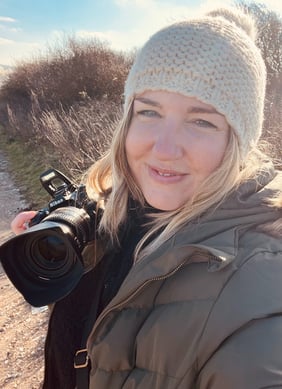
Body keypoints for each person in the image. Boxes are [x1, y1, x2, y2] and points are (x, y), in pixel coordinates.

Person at [10, 6, 282, 389]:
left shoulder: (261, 284)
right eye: (149, 112)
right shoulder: (118, 208)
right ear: (128, 119)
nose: (165, 148)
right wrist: (61, 243)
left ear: (238, 141)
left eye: (201, 121)